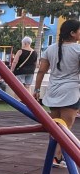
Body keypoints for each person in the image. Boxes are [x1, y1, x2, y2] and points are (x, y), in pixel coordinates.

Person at [33, 18, 80, 166]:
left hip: (53, 91)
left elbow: (41, 71)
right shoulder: (78, 50)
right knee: (65, 129)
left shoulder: (51, 49)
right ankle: (57, 157)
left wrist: (37, 89)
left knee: (55, 128)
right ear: (73, 33)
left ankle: (54, 156)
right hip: (70, 92)